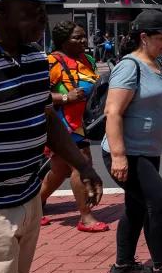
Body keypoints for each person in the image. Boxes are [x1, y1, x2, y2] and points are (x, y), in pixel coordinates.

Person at [0, 0, 104, 273]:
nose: (43, 19)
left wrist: (82, 165)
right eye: (32, 11)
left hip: (26, 201)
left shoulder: (36, 60)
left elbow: (46, 115)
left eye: (44, 11)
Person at [101, 9, 162, 273]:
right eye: (161, 38)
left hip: (149, 150)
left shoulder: (156, 64)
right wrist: (118, 156)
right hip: (129, 152)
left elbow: (147, 101)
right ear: (143, 37)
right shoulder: (130, 66)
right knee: (160, 201)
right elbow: (113, 112)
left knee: (136, 207)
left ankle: (123, 265)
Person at [38, 21, 109, 232]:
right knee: (82, 163)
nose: (83, 40)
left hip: (84, 122)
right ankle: (86, 217)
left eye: (84, 36)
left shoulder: (87, 59)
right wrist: (66, 97)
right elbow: (39, 95)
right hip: (63, 125)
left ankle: (35, 207)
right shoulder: (52, 62)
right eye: (76, 37)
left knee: (59, 170)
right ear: (62, 40)